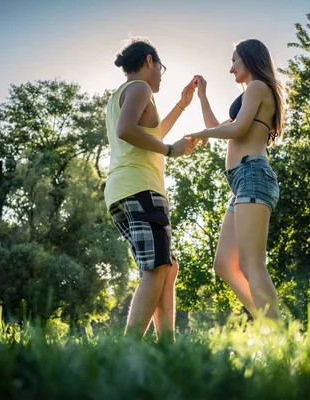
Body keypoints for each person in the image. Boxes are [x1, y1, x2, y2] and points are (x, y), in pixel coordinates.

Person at [105, 38, 197, 341]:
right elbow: (127, 131)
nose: (161, 74)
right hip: (140, 188)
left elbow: (150, 133)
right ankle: (128, 348)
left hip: (125, 191)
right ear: (148, 61)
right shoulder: (140, 88)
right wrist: (171, 151)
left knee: (167, 267)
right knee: (157, 267)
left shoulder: (124, 94)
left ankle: (166, 346)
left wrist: (182, 104)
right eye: (161, 68)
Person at [186, 39, 284, 319]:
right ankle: (268, 323)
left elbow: (238, 130)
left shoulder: (257, 87)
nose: (231, 69)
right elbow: (220, 127)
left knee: (252, 264)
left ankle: (278, 337)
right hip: (242, 183)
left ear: (250, 59)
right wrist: (202, 96)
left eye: (234, 61)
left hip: (253, 175)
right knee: (224, 265)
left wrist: (201, 135)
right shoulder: (251, 95)